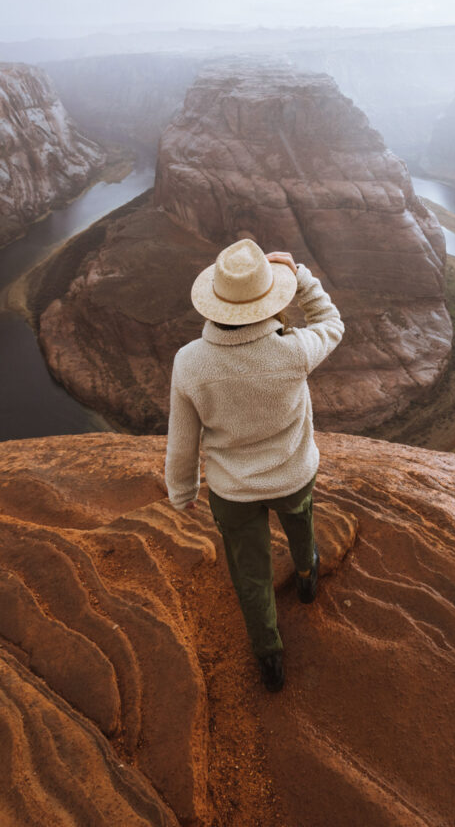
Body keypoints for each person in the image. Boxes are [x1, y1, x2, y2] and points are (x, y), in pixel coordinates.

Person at [164, 238, 344, 692]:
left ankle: (269, 655)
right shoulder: (294, 351)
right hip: (293, 474)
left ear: (215, 301)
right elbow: (331, 322)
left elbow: (183, 440)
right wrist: (299, 274)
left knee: (250, 572)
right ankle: (306, 575)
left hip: (234, 492)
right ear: (269, 300)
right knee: (301, 524)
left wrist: (182, 491)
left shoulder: (190, 363)